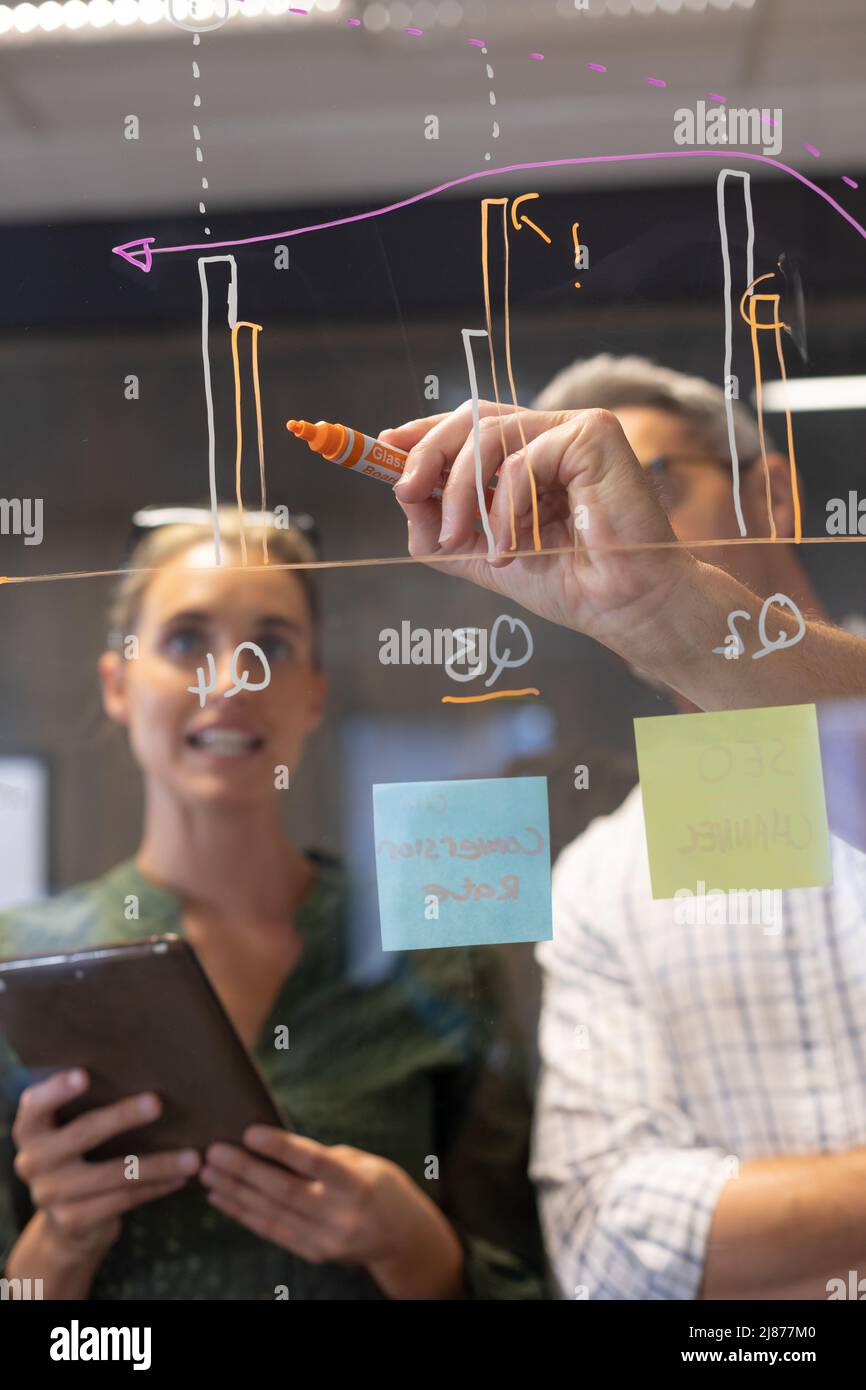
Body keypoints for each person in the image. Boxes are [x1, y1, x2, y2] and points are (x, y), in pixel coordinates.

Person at [381, 356, 866, 1299]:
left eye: (658, 486)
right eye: (558, 513)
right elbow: (609, 1249)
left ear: (772, 490)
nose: (614, 528)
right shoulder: (604, 880)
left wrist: (670, 608)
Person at [0, 508, 545, 1301]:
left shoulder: (430, 950)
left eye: (272, 647)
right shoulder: (20, 965)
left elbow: (530, 1279)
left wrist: (416, 1249)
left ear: (314, 693)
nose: (232, 680)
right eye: (188, 640)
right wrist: (63, 1241)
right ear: (117, 683)